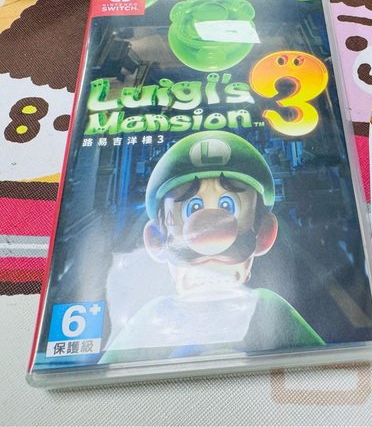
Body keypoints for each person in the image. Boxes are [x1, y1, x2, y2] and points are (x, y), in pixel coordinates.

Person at [100, 131, 323, 363]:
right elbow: (105, 375)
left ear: (263, 233)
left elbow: (328, 364)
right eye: (193, 208)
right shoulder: (153, 317)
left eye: (228, 206)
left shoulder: (267, 308)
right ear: (156, 240)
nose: (210, 236)